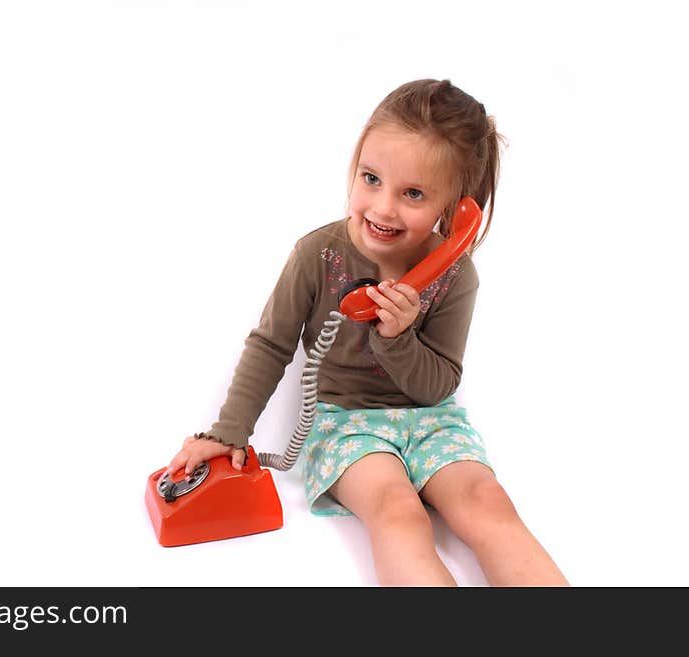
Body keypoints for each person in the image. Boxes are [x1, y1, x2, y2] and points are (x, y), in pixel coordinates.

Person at [166, 79, 569, 587]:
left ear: (456, 207)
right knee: (397, 510)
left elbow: (438, 384)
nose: (382, 208)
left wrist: (398, 338)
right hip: (347, 423)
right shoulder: (318, 255)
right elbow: (271, 345)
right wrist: (228, 432)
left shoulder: (454, 274)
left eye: (414, 194)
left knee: (487, 503)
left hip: (431, 420)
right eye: (371, 178)